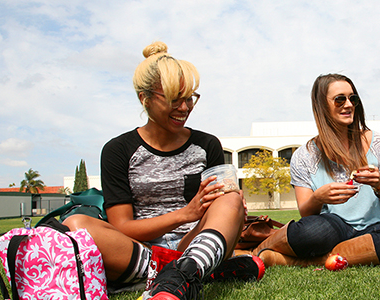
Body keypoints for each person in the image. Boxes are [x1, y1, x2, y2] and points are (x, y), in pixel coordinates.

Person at [63, 41, 263, 300]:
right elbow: (122, 227)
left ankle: (180, 276)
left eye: (189, 97)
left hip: (194, 241)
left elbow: (222, 213)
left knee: (232, 198)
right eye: (173, 99)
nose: (185, 108)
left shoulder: (207, 144)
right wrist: (184, 213)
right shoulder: (118, 150)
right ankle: (196, 271)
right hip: (141, 250)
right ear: (143, 98)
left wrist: (231, 209)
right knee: (75, 224)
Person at [251, 73, 380, 267]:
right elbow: (306, 213)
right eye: (339, 99)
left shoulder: (376, 143)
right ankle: (256, 253)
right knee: (312, 231)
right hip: (332, 227)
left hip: (373, 230)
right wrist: (319, 198)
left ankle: (306, 261)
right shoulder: (305, 155)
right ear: (322, 106)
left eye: (353, 98)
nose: (349, 104)